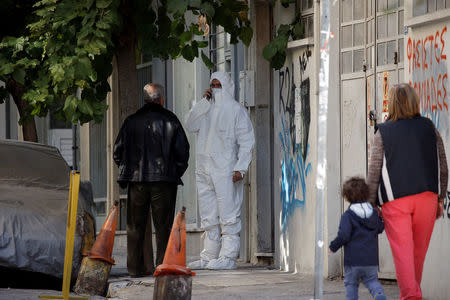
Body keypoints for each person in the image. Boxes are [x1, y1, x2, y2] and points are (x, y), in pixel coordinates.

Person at [367, 83, 448, 300]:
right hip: (427, 198)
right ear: (414, 101)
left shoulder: (383, 132)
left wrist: (370, 203)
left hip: (396, 201)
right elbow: (443, 164)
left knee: (403, 256)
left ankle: (411, 297)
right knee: (416, 257)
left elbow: (374, 170)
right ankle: (412, 295)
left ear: (392, 103)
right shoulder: (429, 127)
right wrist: (440, 197)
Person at [113, 83, 190, 277]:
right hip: (163, 181)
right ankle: (162, 267)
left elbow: (117, 151)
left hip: (137, 180)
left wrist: (129, 169)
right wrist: (174, 172)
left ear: (145, 99)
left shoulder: (131, 121)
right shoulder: (171, 120)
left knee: (135, 226)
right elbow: (183, 152)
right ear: (161, 99)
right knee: (163, 226)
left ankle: (135, 268)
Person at [185, 71, 255, 270]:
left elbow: (247, 140)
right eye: (212, 85)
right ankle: (209, 256)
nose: (215, 88)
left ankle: (228, 256)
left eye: (218, 85)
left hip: (226, 169)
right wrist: (202, 102)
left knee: (228, 214)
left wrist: (241, 167)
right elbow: (190, 124)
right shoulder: (205, 109)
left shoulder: (236, 110)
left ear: (226, 86)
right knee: (209, 214)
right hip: (204, 169)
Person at [329, 177, 386, 300]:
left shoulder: (348, 215)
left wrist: (333, 246)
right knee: (372, 281)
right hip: (371, 260)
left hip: (353, 261)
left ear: (347, 197)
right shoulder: (374, 213)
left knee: (351, 284)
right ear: (366, 194)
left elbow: (344, 235)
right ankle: (379, 294)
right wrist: (381, 218)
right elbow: (380, 228)